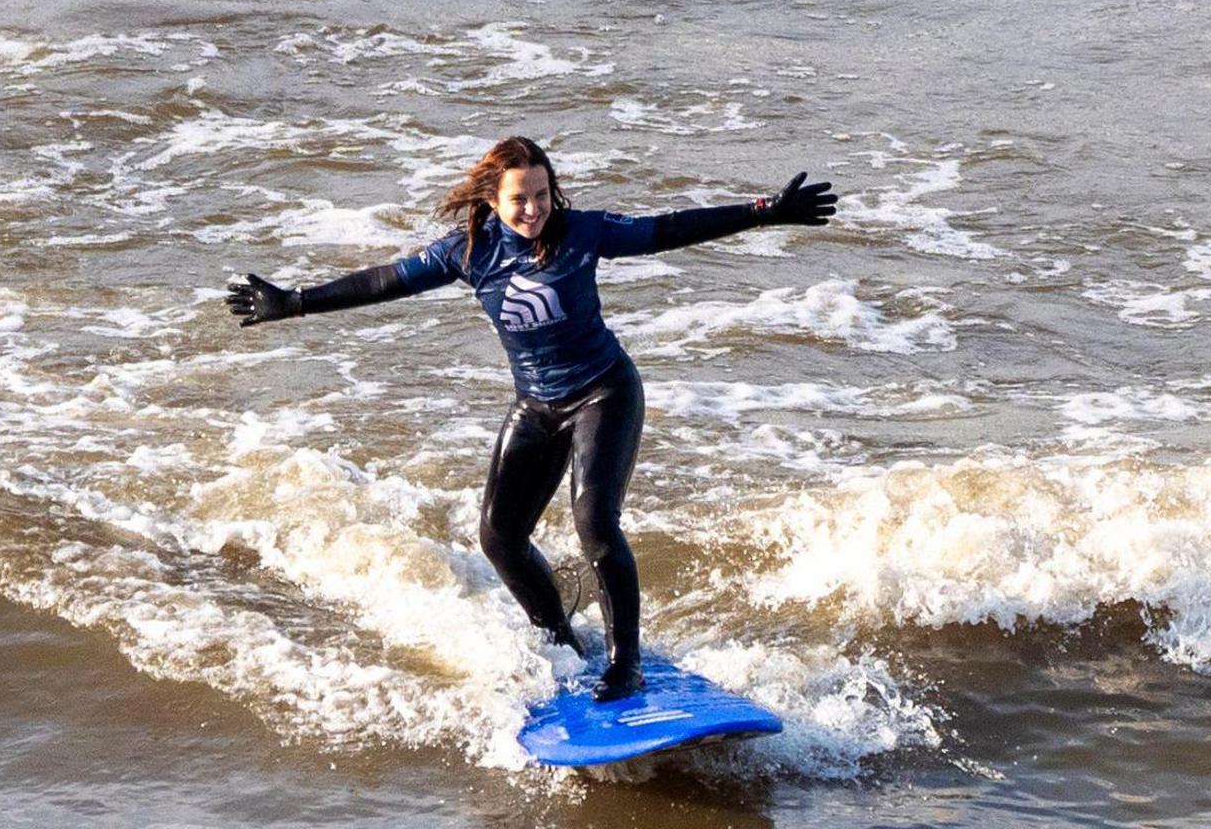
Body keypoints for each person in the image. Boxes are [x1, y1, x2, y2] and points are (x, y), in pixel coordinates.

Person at [226, 137, 839, 701]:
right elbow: (386, 280)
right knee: (498, 536)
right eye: (520, 198)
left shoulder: (582, 233)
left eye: (542, 195)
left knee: (595, 521)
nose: (534, 209)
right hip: (537, 406)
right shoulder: (470, 252)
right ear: (492, 200)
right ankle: (561, 639)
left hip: (604, 393)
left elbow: (668, 228)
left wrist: (763, 211)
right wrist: (297, 303)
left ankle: (626, 663)